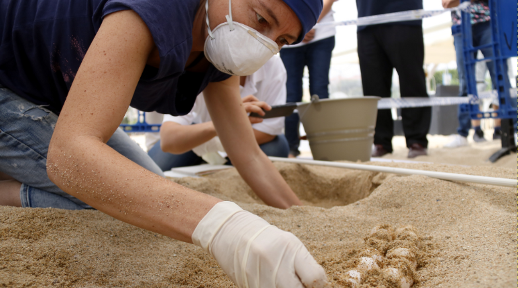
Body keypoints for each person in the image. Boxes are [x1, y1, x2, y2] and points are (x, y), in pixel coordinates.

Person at [0, 0, 328, 286]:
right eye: (260, 19)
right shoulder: (158, 6)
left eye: (282, 40)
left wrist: (308, 221)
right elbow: (70, 154)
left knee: (148, 198)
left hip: (51, 104)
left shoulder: (222, 46)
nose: (262, 44)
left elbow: (249, 155)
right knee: (111, 203)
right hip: (9, 90)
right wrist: (224, 225)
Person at [148, 56, 289, 171]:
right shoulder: (198, 61)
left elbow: (269, 130)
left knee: (277, 146)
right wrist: (226, 121)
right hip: (195, 137)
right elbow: (169, 140)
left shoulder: (272, 65)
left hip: (225, 140)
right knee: (152, 169)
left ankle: (222, 172)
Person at [357, 0, 432, 159]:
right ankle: (381, 142)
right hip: (366, 19)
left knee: (411, 80)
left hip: (403, 14)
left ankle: (416, 140)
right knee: (373, 86)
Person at [442, 0, 510, 148]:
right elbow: (446, 3)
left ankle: (509, 129)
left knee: (500, 76)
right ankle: (464, 133)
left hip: (489, 22)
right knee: (466, 81)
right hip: (461, 26)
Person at [279, 0, 337, 158]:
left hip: (321, 34)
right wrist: (299, 28)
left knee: (320, 91)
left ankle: (324, 148)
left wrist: (308, 25)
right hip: (289, 37)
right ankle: (291, 148)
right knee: (290, 95)